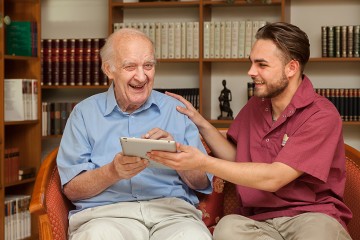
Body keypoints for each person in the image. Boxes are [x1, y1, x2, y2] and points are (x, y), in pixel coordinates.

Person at [147, 22, 353, 240]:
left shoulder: (321, 115)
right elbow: (239, 159)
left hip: (311, 217)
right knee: (228, 228)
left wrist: (202, 162)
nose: (251, 72)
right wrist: (200, 122)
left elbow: (274, 178)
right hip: (258, 222)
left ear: (291, 68)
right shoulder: (256, 105)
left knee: (319, 234)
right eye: (251, 63)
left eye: (262, 65)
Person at [56, 28, 213, 240]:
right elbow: (72, 189)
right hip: (107, 216)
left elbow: (202, 183)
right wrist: (113, 171)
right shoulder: (83, 114)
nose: (141, 76)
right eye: (130, 66)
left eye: (148, 65)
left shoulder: (176, 111)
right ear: (109, 69)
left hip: (171, 215)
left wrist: (179, 158)